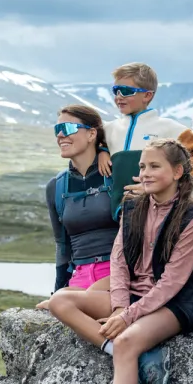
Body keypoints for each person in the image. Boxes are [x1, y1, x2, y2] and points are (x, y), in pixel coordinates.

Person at [48, 139, 193, 384]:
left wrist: (127, 317)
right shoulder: (132, 206)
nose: (145, 173)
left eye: (154, 166)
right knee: (61, 301)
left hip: (178, 302)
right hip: (134, 299)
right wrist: (118, 307)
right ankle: (135, 357)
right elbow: (119, 261)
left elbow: (172, 282)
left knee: (127, 337)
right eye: (142, 167)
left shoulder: (192, 217)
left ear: (178, 172)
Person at [38, 105, 121, 309]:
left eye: (67, 128)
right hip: (80, 278)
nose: (60, 136)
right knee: (49, 307)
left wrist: (104, 150)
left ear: (92, 133)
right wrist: (58, 290)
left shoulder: (116, 175)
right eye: (56, 130)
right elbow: (62, 244)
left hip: (118, 276)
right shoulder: (56, 186)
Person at [96, 62, 193, 182]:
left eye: (126, 91)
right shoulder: (107, 128)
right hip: (114, 200)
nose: (119, 96)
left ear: (147, 95)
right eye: (116, 90)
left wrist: (179, 185)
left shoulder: (169, 128)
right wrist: (102, 151)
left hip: (155, 200)